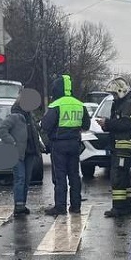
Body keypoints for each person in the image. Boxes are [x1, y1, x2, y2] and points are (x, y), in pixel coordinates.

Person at [40, 74, 89, 216]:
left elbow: (46, 125)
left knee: (60, 176)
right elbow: (86, 125)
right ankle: (76, 206)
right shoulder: (79, 104)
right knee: (74, 175)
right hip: (74, 144)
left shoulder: (56, 105)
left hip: (59, 145)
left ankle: (60, 207)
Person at [101, 77, 131, 219]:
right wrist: (106, 125)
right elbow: (117, 124)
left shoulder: (128, 104)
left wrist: (108, 123)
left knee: (117, 177)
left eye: (114, 94)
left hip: (123, 147)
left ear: (121, 91)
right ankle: (127, 206)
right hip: (118, 147)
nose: (113, 97)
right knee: (123, 178)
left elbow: (126, 124)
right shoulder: (120, 104)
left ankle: (118, 208)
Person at [0, 95, 37, 216]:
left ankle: (22, 204)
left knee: (26, 180)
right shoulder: (14, 117)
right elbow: (1, 130)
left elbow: (34, 133)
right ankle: (18, 206)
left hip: (29, 152)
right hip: (17, 153)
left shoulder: (30, 117)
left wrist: (39, 146)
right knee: (20, 178)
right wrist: (12, 142)